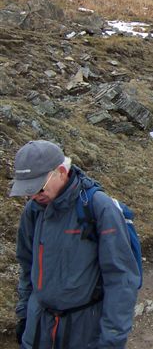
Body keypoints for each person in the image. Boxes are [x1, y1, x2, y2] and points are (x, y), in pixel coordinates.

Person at [10, 140, 139, 348]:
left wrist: (112, 339)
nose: (33, 196)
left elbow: (121, 278)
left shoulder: (99, 208)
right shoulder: (33, 210)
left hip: (84, 331)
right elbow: (27, 264)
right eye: (28, 190)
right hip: (38, 327)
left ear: (61, 172)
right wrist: (25, 313)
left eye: (39, 188)